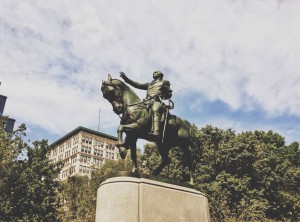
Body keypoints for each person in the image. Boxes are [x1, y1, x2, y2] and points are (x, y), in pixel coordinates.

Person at [120, 70, 172, 140]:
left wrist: (163, 95)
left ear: (160, 75)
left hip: (157, 102)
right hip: (147, 102)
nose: (154, 73)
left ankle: (156, 132)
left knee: (155, 109)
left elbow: (169, 94)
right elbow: (137, 85)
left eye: (156, 72)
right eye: (154, 72)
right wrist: (126, 79)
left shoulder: (165, 82)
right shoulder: (149, 84)